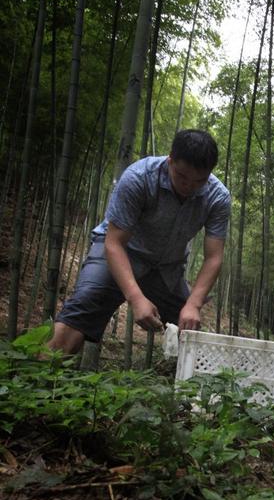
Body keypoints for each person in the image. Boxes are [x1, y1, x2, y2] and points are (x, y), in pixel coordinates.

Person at [49, 128, 230, 355]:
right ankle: (44, 383)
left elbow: (214, 257)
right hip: (121, 254)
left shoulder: (218, 197)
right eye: (182, 176)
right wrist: (135, 298)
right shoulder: (139, 177)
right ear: (170, 159)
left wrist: (193, 304)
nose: (189, 186)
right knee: (79, 313)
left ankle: (186, 389)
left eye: (199, 181)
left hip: (166, 269)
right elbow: (114, 243)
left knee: (191, 332)